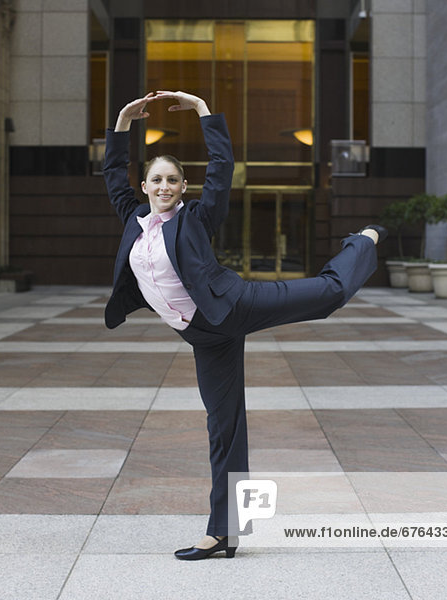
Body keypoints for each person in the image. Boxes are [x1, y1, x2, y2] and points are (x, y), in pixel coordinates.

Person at [103, 90, 386, 560]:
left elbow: (221, 168)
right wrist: (121, 124)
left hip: (235, 306)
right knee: (224, 427)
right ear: (146, 185)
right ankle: (225, 532)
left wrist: (201, 110)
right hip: (204, 336)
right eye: (156, 179)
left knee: (328, 295)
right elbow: (113, 177)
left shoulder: (195, 218)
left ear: (183, 185)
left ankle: (363, 241)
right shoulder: (133, 220)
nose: (165, 186)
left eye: (173, 179)